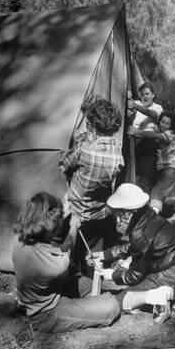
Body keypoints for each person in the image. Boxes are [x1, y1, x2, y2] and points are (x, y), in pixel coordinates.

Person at [12, 192, 121, 333]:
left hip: (54, 288)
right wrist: (73, 227)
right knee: (111, 306)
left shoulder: (24, 235)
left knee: (88, 285)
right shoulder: (49, 265)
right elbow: (66, 252)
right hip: (47, 312)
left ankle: (86, 305)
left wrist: (66, 208)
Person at [95, 183, 175, 324]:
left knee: (120, 300)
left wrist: (112, 275)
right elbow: (135, 247)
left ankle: (160, 297)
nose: (117, 220)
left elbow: (134, 276)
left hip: (173, 272)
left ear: (127, 213)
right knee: (139, 285)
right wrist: (106, 254)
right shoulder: (147, 216)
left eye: (118, 215)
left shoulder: (139, 233)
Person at [59, 96, 124, 273]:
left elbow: (64, 164)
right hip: (99, 214)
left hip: (76, 213)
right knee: (91, 259)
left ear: (93, 126)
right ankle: (93, 289)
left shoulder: (84, 150)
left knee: (70, 257)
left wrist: (78, 144)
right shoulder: (118, 156)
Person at [127, 110, 175, 214]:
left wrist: (137, 132)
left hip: (170, 169)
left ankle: (151, 221)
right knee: (154, 194)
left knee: (157, 195)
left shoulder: (169, 134)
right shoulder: (159, 133)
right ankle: (150, 219)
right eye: (162, 122)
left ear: (172, 126)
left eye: (167, 123)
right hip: (163, 170)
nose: (164, 125)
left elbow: (156, 136)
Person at [127, 83, 163, 194]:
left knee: (146, 177)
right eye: (142, 95)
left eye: (147, 94)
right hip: (133, 142)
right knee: (131, 176)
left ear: (153, 95)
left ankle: (145, 204)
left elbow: (152, 114)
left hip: (148, 143)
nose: (145, 97)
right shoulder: (135, 103)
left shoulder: (157, 108)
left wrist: (136, 107)